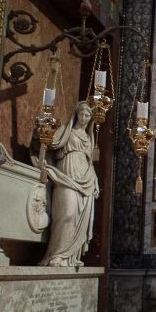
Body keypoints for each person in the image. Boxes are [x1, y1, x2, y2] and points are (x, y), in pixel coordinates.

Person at [36, 101, 100, 266]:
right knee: (67, 214)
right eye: (82, 114)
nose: (84, 118)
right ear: (76, 114)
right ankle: (56, 255)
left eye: (87, 115)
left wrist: (96, 181)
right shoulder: (67, 131)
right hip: (66, 174)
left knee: (79, 217)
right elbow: (51, 142)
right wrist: (43, 135)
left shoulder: (89, 137)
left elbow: (90, 161)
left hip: (86, 178)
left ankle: (70, 257)